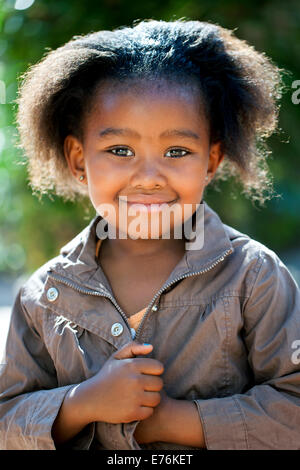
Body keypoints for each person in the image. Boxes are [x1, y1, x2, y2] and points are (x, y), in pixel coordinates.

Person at [0, 18, 299, 451]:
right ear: (78, 158)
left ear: (211, 159)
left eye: (177, 151)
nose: (148, 178)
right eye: (120, 150)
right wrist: (81, 404)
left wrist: (173, 422)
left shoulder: (256, 277)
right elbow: (7, 419)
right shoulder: (43, 296)